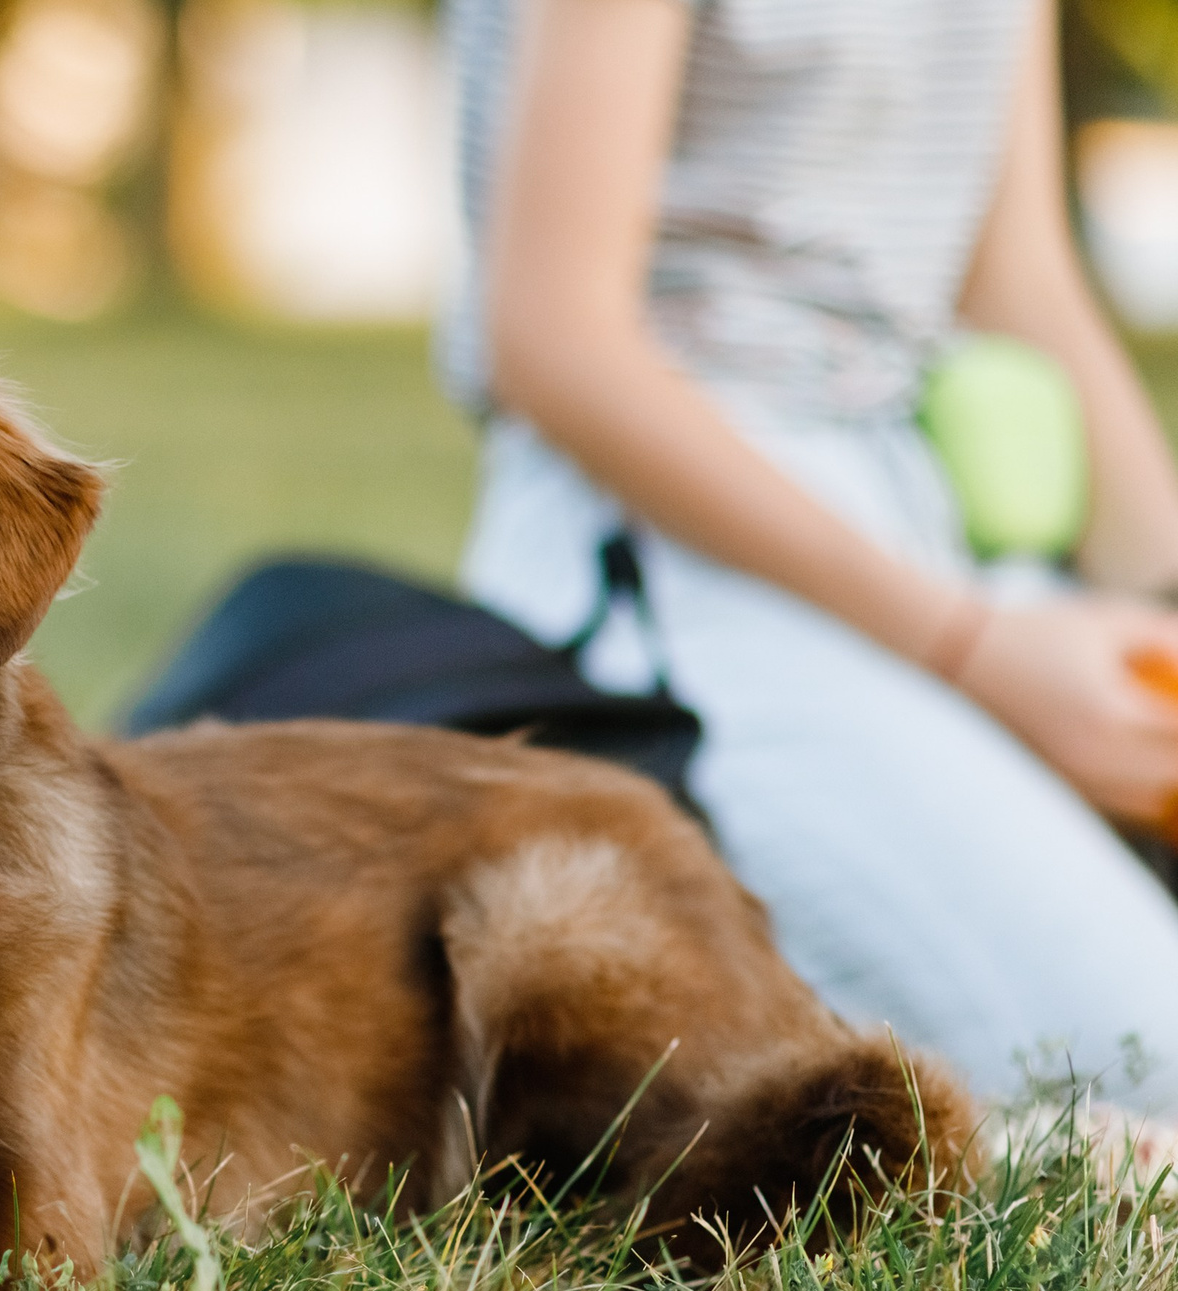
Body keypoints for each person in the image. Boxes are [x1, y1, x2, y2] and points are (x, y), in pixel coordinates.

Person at [447, 0, 1178, 1114]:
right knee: (1151, 1060)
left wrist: (1160, 598)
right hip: (674, 554)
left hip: (915, 514)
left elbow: (1014, 282)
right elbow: (555, 337)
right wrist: (972, 649)